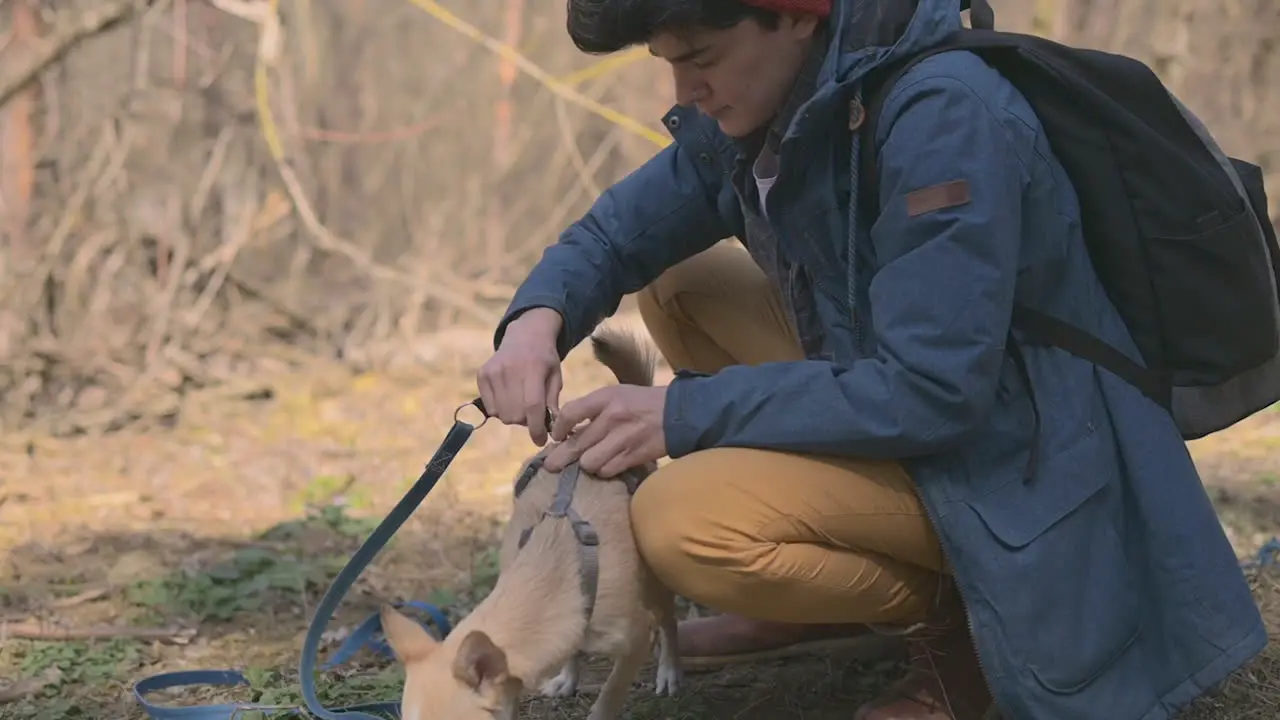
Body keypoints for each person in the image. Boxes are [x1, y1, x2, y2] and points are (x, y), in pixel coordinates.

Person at [476, 1, 1268, 718]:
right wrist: (534, 323)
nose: (684, 92)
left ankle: (968, 620)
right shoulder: (781, 101)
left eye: (703, 59)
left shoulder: (942, 113)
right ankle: (809, 598)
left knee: (682, 522)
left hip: (1025, 463)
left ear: (795, 16)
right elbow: (620, 233)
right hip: (923, 407)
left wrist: (680, 414)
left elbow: (933, 391)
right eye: (670, 64)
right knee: (684, 283)